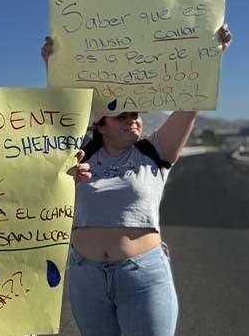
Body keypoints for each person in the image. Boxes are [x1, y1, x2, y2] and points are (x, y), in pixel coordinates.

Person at [42, 24, 233, 336]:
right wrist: (55, 62)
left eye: (136, 114)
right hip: (85, 278)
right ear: (100, 126)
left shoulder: (155, 152)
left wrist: (212, 57)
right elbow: (58, 113)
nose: (133, 119)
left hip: (142, 276)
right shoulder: (76, 158)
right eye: (122, 115)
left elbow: (190, 106)